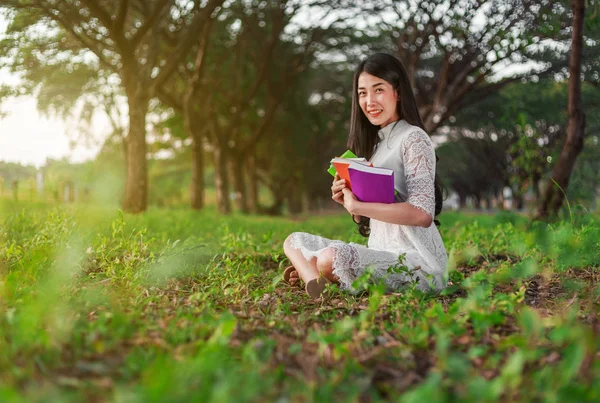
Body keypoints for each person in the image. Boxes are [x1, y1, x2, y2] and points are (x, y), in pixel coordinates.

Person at [282, 53, 448, 298]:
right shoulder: (373, 147)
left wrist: (359, 204)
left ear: (398, 92)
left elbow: (423, 215)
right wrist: (353, 207)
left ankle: (318, 270)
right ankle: (316, 280)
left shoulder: (414, 138)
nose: (369, 100)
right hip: (380, 252)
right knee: (294, 240)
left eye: (378, 89)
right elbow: (372, 217)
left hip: (417, 261)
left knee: (330, 258)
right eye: (362, 93)